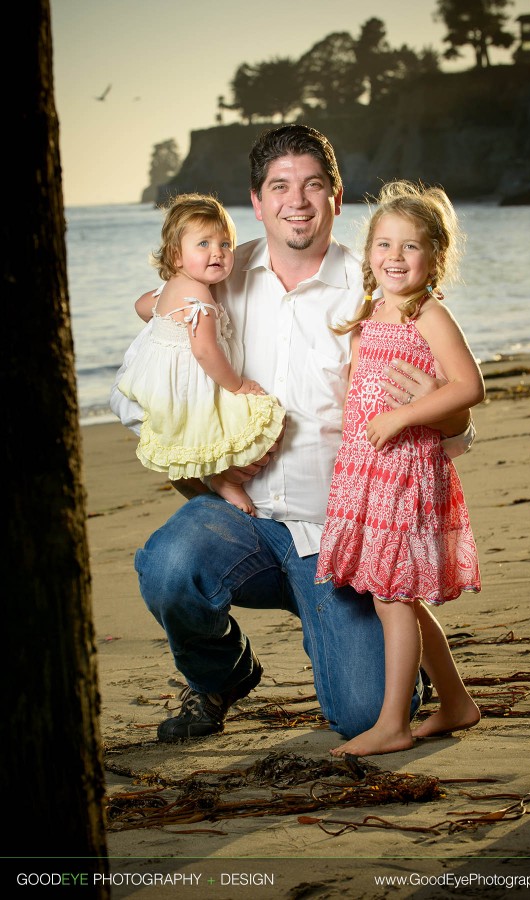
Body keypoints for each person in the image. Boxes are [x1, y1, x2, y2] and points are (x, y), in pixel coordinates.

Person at [110, 125, 475, 744]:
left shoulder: (375, 288)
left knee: (361, 715)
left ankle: (373, 652)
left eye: (312, 185)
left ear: (336, 196)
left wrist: (439, 409)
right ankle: (221, 674)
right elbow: (146, 395)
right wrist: (210, 477)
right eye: (280, 186)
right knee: (170, 565)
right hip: (246, 521)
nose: (296, 201)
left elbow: (454, 419)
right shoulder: (216, 274)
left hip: (339, 533)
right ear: (256, 201)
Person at [315, 180, 484, 756]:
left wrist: (404, 415)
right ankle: (457, 702)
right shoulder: (371, 312)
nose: (394, 257)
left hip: (407, 469)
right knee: (399, 596)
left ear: (435, 255)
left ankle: (393, 723)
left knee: (391, 595)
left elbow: (469, 386)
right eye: (383, 244)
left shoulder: (429, 315)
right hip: (369, 472)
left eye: (409, 246)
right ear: (368, 253)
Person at [116, 193, 285, 515]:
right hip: (187, 385)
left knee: (196, 434)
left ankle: (199, 477)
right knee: (258, 417)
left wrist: (163, 321)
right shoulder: (198, 296)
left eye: (225, 244)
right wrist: (237, 385)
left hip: (156, 380)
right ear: (176, 255)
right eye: (203, 244)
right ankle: (225, 479)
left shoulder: (173, 285)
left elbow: (141, 307)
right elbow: (206, 351)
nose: (218, 253)